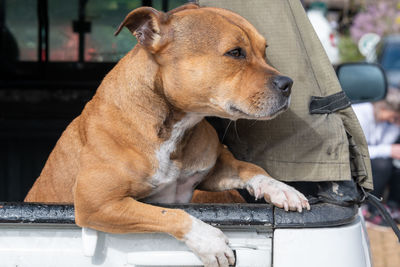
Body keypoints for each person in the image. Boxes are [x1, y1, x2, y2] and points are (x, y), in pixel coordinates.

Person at [353, 88, 400, 225]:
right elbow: (358, 151)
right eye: (395, 117)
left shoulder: (388, 122)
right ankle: (369, 209)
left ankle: (392, 206)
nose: (394, 120)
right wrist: (389, 150)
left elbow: (385, 145)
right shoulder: (360, 113)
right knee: (382, 164)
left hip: (374, 159)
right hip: (355, 162)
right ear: (384, 107)